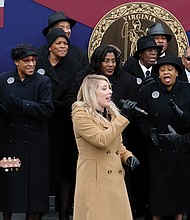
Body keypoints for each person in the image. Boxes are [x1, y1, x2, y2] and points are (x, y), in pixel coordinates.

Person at [71, 74, 140, 220]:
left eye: (110, 88)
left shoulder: (111, 113)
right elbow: (101, 140)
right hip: (95, 179)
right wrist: (124, 118)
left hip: (115, 180)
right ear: (91, 92)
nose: (110, 92)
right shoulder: (80, 114)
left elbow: (117, 143)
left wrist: (127, 156)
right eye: (104, 88)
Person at [0, 43, 54, 220]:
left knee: (35, 189)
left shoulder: (43, 82)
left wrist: (24, 105)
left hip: (35, 143)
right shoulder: (3, 80)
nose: (31, 64)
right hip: (11, 143)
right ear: (16, 62)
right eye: (26, 61)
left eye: (33, 60)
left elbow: (47, 109)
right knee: (9, 186)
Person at [35, 27, 82, 220]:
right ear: (50, 46)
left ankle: (64, 212)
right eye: (59, 43)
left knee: (65, 169)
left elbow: (74, 93)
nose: (63, 46)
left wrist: (56, 103)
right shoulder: (38, 63)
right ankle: (36, 209)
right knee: (41, 169)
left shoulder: (74, 65)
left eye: (65, 43)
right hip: (42, 122)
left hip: (64, 124)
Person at [136, 55, 190, 220]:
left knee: (180, 192)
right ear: (158, 73)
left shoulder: (187, 89)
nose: (166, 72)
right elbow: (139, 118)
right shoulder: (147, 91)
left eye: (170, 69)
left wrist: (183, 116)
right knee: (158, 192)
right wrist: (149, 130)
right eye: (162, 70)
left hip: (182, 150)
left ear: (177, 72)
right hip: (157, 150)